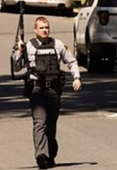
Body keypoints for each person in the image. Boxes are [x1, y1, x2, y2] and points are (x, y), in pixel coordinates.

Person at [12, 17, 82, 169]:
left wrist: (76, 77)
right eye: (42, 28)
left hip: (53, 90)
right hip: (37, 90)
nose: (45, 30)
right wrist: (19, 51)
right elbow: (16, 68)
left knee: (51, 125)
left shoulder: (58, 45)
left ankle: (50, 154)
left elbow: (71, 61)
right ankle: (41, 156)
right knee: (40, 123)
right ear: (35, 29)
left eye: (47, 27)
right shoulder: (29, 46)